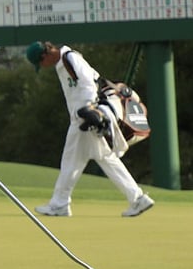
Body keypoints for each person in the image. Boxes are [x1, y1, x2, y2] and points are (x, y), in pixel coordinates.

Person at [25, 41, 155, 218]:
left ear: (44, 56)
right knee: (105, 158)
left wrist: (89, 109)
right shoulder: (62, 63)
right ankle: (138, 198)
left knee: (71, 161)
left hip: (86, 116)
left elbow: (88, 83)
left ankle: (59, 204)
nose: (43, 67)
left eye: (40, 63)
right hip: (85, 116)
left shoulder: (70, 58)